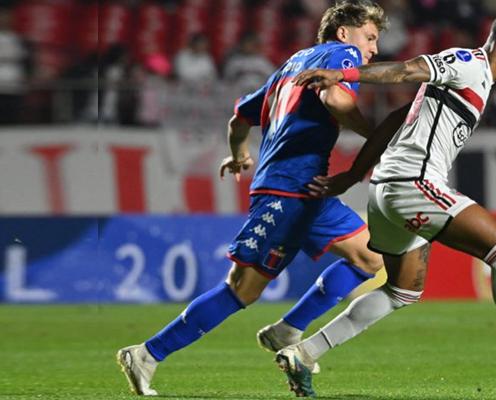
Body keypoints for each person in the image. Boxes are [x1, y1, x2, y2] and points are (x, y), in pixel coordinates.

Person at [277, 9, 496, 397]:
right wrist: (344, 75)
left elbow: (396, 121)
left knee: (402, 291)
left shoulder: (478, 83)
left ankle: (304, 352)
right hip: (412, 183)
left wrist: (354, 175)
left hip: (387, 188)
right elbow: (406, 70)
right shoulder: (468, 63)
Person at [116, 2, 402, 396]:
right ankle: (147, 353)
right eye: (370, 38)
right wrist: (374, 137)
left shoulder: (290, 66)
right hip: (288, 187)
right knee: (243, 288)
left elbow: (238, 118)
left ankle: (287, 330)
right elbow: (336, 101)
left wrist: (238, 154)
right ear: (343, 32)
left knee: (370, 256)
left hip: (307, 188)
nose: (372, 50)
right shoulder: (342, 55)